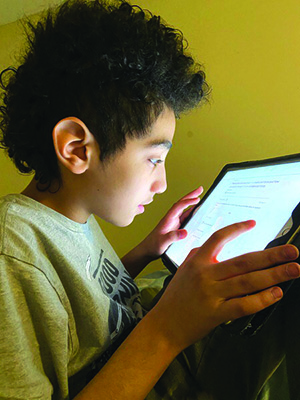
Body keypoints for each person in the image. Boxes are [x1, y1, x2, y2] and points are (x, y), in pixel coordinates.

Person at [0, 1, 299, 399]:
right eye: (154, 159)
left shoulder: (70, 216)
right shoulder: (11, 253)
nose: (161, 183)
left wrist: (147, 250)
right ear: (75, 149)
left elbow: (84, 316)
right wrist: (168, 329)